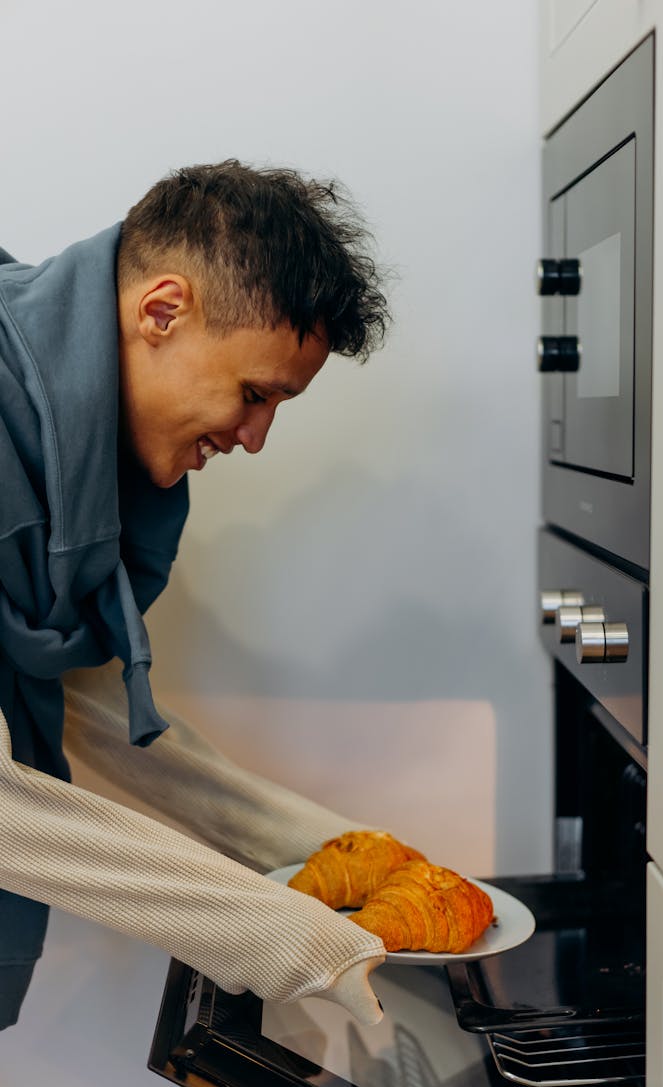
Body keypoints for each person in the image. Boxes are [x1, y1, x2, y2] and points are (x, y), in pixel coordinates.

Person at [0, 159, 390, 1032]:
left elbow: (78, 699)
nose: (254, 438)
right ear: (161, 310)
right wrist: (281, 936)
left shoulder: (54, 441)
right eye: (255, 394)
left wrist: (331, 849)